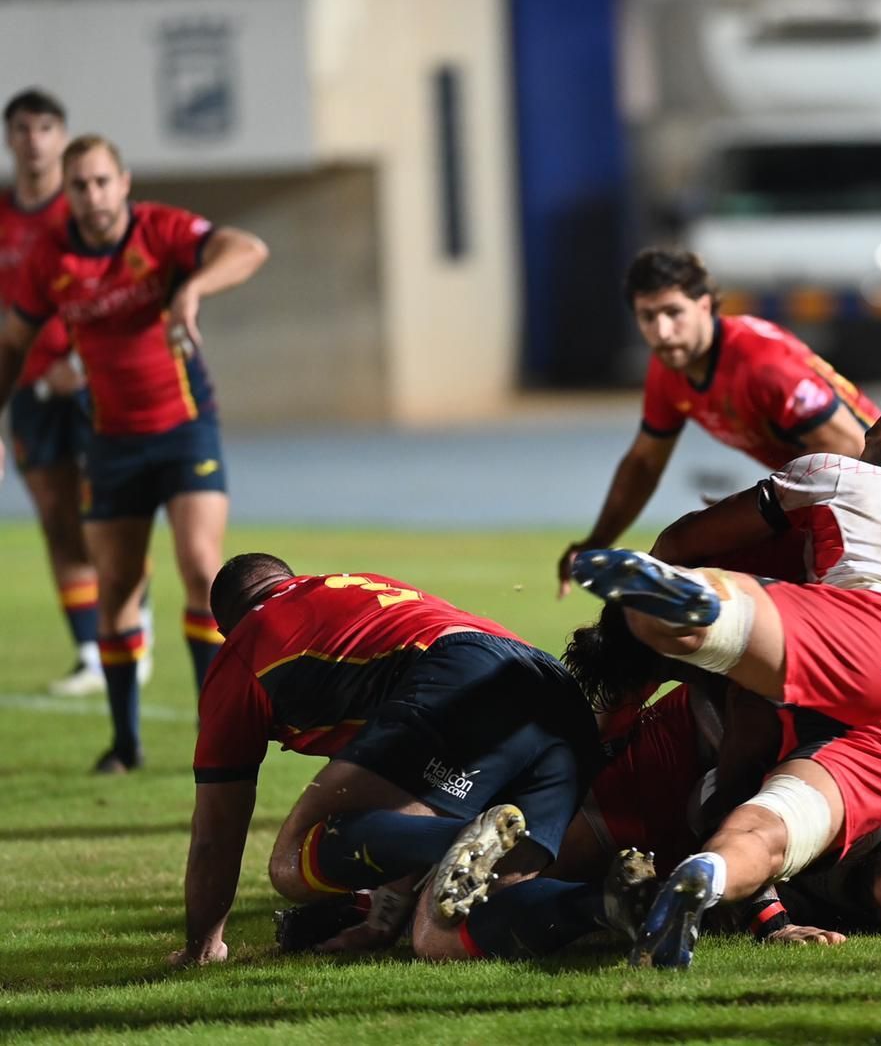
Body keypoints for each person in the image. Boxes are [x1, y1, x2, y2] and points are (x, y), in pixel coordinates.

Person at [567, 391, 881, 970]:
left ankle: (694, 608)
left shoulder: (840, 472)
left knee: (686, 620)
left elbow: (681, 542)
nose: (862, 444)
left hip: (867, 633)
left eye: (873, 434)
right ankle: (708, 875)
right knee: (774, 829)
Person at [169, 552, 600, 966]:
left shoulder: (244, 647)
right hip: (558, 694)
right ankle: (618, 903)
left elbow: (216, 830)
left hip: (466, 675)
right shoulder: (354, 592)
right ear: (290, 580)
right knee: (443, 930)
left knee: (293, 858)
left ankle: (463, 837)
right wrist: (386, 910)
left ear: (227, 628)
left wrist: (202, 946)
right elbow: (401, 798)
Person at [392, 680, 881, 962]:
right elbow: (734, 805)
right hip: (672, 764)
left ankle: (605, 901)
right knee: (439, 936)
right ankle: (389, 880)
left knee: (448, 926)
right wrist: (772, 920)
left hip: (705, 818)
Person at [0, 134, 268, 772]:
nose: (91, 196)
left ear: (123, 183)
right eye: (78, 186)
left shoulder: (160, 231)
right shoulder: (51, 258)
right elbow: (13, 342)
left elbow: (248, 248)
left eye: (100, 181)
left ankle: (216, 726)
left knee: (202, 568)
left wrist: (191, 288)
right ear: (66, 194)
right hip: (112, 439)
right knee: (117, 583)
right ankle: (125, 744)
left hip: (184, 426)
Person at [556, 248, 879, 597]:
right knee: (688, 556)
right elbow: (645, 462)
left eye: (673, 312)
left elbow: (851, 450)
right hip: (819, 494)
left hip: (879, 488)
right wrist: (597, 541)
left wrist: (761, 505)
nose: (662, 331)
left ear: (705, 306)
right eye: (648, 317)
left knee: (685, 556)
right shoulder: (668, 371)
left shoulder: (763, 365)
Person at [0, 89, 102, 697]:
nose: (33, 138)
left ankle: (129, 636)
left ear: (61, 136)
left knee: (111, 515)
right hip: (28, 390)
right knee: (58, 520)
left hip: (92, 384)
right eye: (21, 128)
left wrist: (85, 362)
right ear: (10, 140)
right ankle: (91, 654)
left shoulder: (83, 209)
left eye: (44, 126)